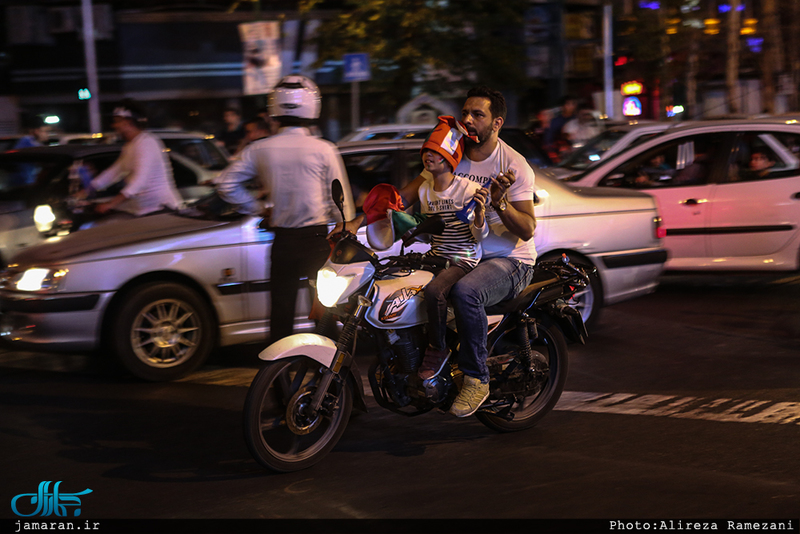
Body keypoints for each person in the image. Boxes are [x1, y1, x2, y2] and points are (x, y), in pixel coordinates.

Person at [334, 86, 537, 417]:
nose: (467, 120)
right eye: (465, 113)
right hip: (455, 254)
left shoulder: (514, 164)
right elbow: (405, 198)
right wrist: (356, 222)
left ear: (496, 123)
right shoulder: (451, 152)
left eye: (478, 115)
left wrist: (498, 202)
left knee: (466, 291)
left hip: (508, 260)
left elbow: (528, 227)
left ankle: (476, 379)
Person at [215, 75, 355, 343]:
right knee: (324, 315)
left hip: (283, 243)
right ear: (313, 107)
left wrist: (258, 208)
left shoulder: (260, 149)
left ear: (275, 108)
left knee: (280, 317)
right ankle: (329, 378)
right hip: (317, 242)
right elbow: (343, 206)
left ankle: (276, 380)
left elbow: (226, 184)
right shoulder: (324, 149)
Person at [415, 116, 489, 381]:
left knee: (435, 291)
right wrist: (412, 232)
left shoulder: (469, 190)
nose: (428, 157)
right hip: (437, 256)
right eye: (426, 152)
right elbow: (429, 236)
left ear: (449, 159)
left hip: (463, 259)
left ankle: (438, 349)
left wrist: (479, 214)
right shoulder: (425, 191)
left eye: (435, 153)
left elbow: (479, 236)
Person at [75, 101, 182, 217]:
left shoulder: (147, 142)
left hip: (161, 210)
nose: (114, 126)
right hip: (144, 211)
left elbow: (140, 181)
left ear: (128, 122)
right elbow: (114, 172)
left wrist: (111, 203)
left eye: (117, 121)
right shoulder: (130, 146)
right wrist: (87, 190)